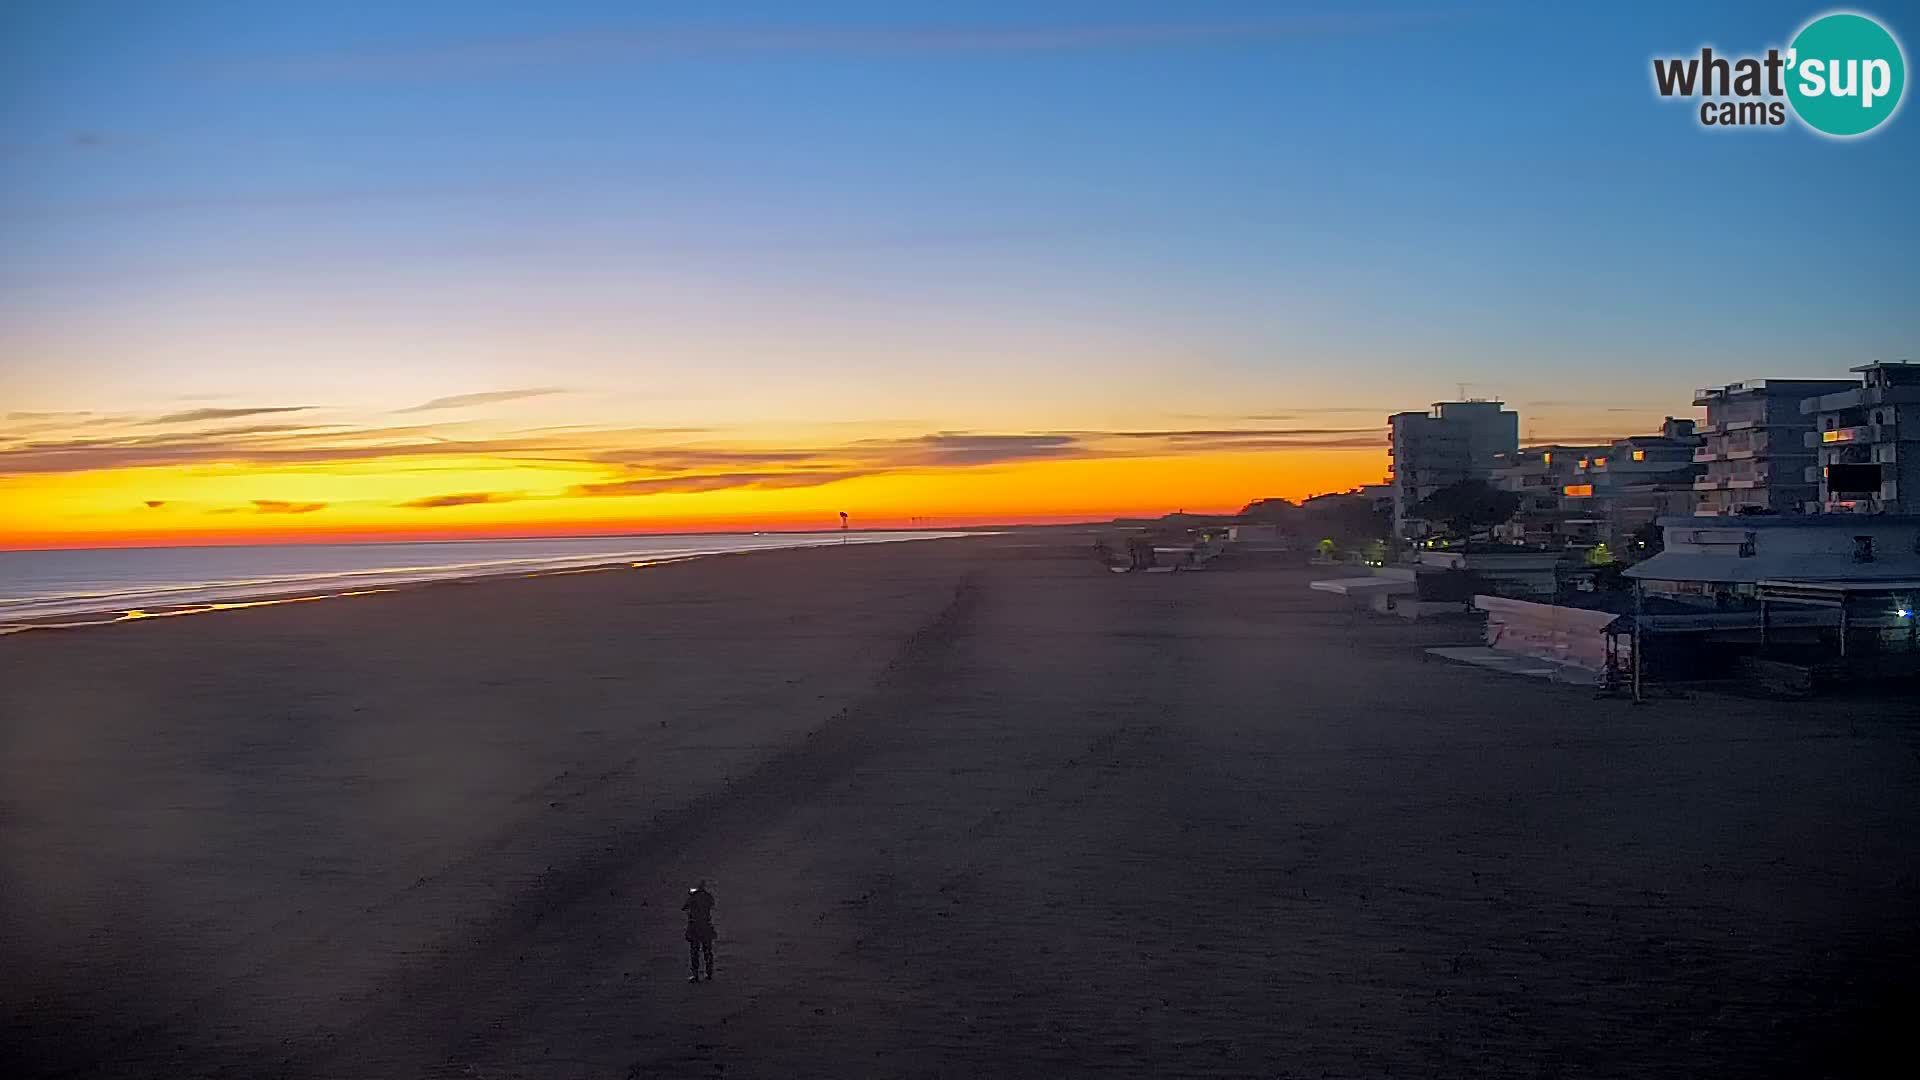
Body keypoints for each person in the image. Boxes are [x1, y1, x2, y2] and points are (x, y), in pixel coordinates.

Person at [682, 881, 716, 982]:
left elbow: (684, 907)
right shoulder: (707, 897)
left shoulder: (693, 898)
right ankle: (709, 972)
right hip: (706, 926)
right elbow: (712, 903)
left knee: (695, 952)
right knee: (707, 951)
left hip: (695, 927)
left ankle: (695, 974)